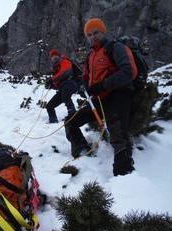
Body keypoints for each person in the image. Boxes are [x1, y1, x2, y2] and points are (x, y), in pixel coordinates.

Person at [64, 18, 138, 176]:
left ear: (103, 31)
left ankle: (124, 175)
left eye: (95, 32)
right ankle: (83, 151)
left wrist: (103, 85)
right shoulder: (91, 55)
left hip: (119, 95)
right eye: (89, 34)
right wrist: (85, 85)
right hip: (99, 99)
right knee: (71, 121)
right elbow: (87, 76)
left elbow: (129, 72)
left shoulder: (116, 48)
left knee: (117, 134)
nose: (92, 36)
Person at [45, 49, 79, 123]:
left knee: (65, 95)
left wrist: (52, 79)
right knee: (49, 106)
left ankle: (72, 114)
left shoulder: (64, 61)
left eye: (55, 55)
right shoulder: (56, 68)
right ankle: (53, 122)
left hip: (72, 83)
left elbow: (65, 72)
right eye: (52, 56)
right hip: (63, 88)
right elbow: (58, 83)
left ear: (59, 55)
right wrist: (51, 85)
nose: (54, 57)